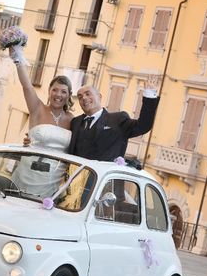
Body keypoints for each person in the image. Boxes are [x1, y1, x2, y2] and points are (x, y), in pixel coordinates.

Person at [9, 42, 75, 197]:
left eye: (63, 92)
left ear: (68, 95)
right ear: (49, 91)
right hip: (28, 173)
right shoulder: (37, 108)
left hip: (53, 181)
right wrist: (17, 59)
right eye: (55, 90)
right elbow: (27, 86)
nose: (58, 94)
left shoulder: (73, 120)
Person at [68, 78, 160, 161]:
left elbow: (143, 126)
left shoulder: (118, 119)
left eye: (88, 94)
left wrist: (149, 96)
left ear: (99, 97)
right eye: (80, 97)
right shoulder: (75, 122)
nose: (84, 98)